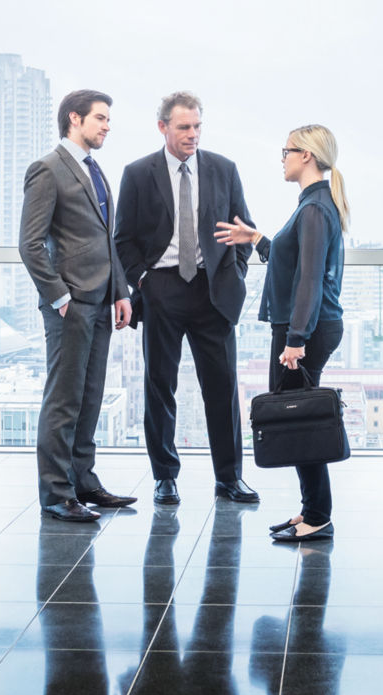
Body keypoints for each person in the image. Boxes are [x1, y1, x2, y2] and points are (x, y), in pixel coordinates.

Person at [113, 92, 258, 506]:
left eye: (197, 126)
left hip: (212, 292)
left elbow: (242, 229)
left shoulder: (223, 169)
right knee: (160, 385)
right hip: (161, 289)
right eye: (183, 127)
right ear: (163, 128)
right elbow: (123, 238)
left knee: (223, 386)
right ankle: (164, 477)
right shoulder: (138, 173)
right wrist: (142, 281)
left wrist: (237, 272)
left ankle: (229, 477)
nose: (192, 134)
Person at [215, 124, 349, 542]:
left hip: (305, 329)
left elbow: (309, 280)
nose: (282, 158)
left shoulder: (313, 208)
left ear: (306, 155)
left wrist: (295, 339)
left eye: (287, 151)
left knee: (301, 423)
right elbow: (291, 265)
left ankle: (318, 516)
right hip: (306, 326)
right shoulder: (314, 204)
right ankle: (313, 511)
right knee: (300, 420)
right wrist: (255, 238)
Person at [20, 89, 138, 522]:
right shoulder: (48, 169)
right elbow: (29, 244)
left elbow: (106, 239)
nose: (108, 125)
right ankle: (56, 494)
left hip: (102, 301)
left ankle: (83, 483)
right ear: (75, 118)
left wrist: (121, 291)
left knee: (89, 398)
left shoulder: (94, 169)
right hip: (70, 305)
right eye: (101, 118)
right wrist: (59, 296)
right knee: (64, 401)